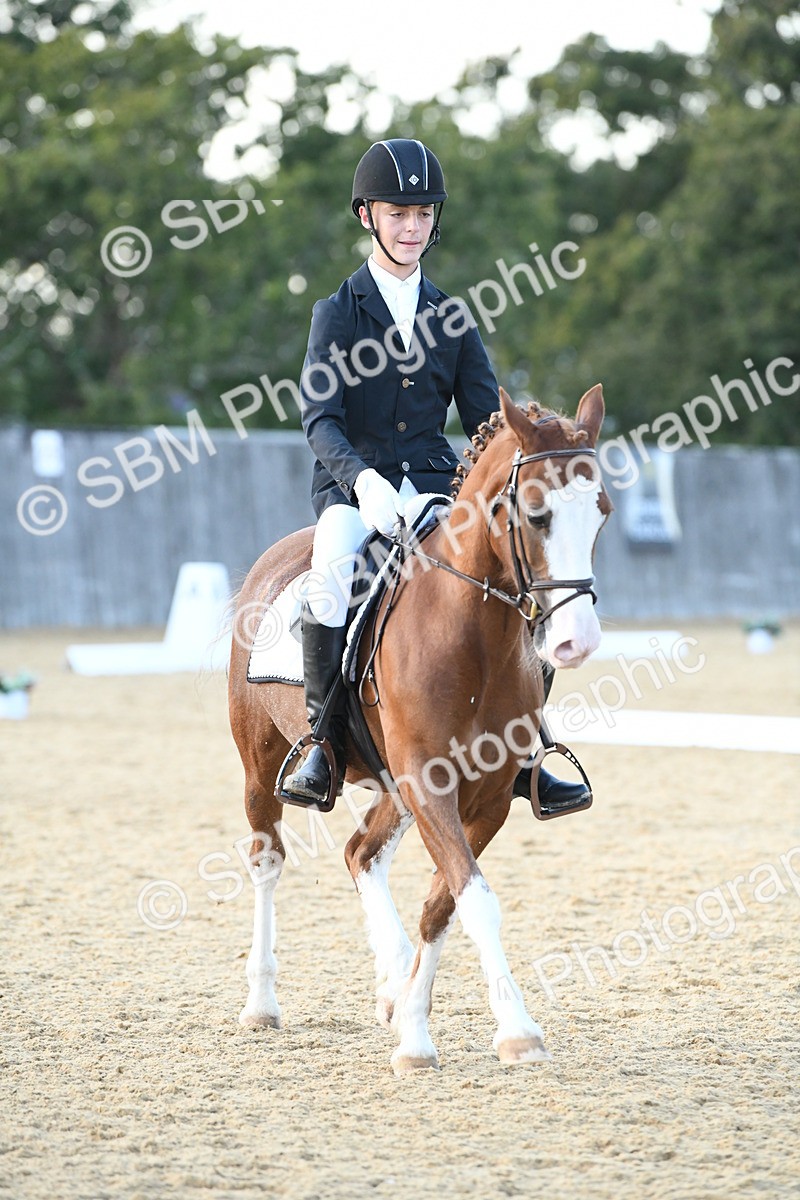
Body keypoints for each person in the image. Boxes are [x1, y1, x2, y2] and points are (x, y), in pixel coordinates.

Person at [283, 138, 589, 816]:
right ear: (367, 216)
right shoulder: (337, 312)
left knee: (514, 579)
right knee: (332, 576)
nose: (412, 227)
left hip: (435, 490)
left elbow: (488, 423)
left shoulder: (453, 316)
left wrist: (530, 446)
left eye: (423, 214)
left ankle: (528, 751)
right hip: (354, 493)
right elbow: (319, 419)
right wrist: (361, 482)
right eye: (398, 214)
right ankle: (322, 743)